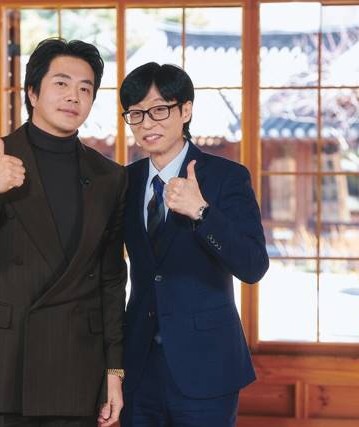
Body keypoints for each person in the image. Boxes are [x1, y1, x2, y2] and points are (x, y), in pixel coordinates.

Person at [0, 38, 126, 427]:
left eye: (85, 88)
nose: (74, 96)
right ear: (32, 92)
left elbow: (112, 280)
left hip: (76, 365)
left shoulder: (109, 177)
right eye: (61, 83)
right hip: (2, 363)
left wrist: (114, 370)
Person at [117, 62, 269, 427]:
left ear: (185, 110)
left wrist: (202, 212)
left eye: (159, 110)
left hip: (207, 365)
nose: (147, 124)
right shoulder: (124, 182)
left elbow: (253, 266)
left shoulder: (227, 177)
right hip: (139, 366)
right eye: (136, 114)